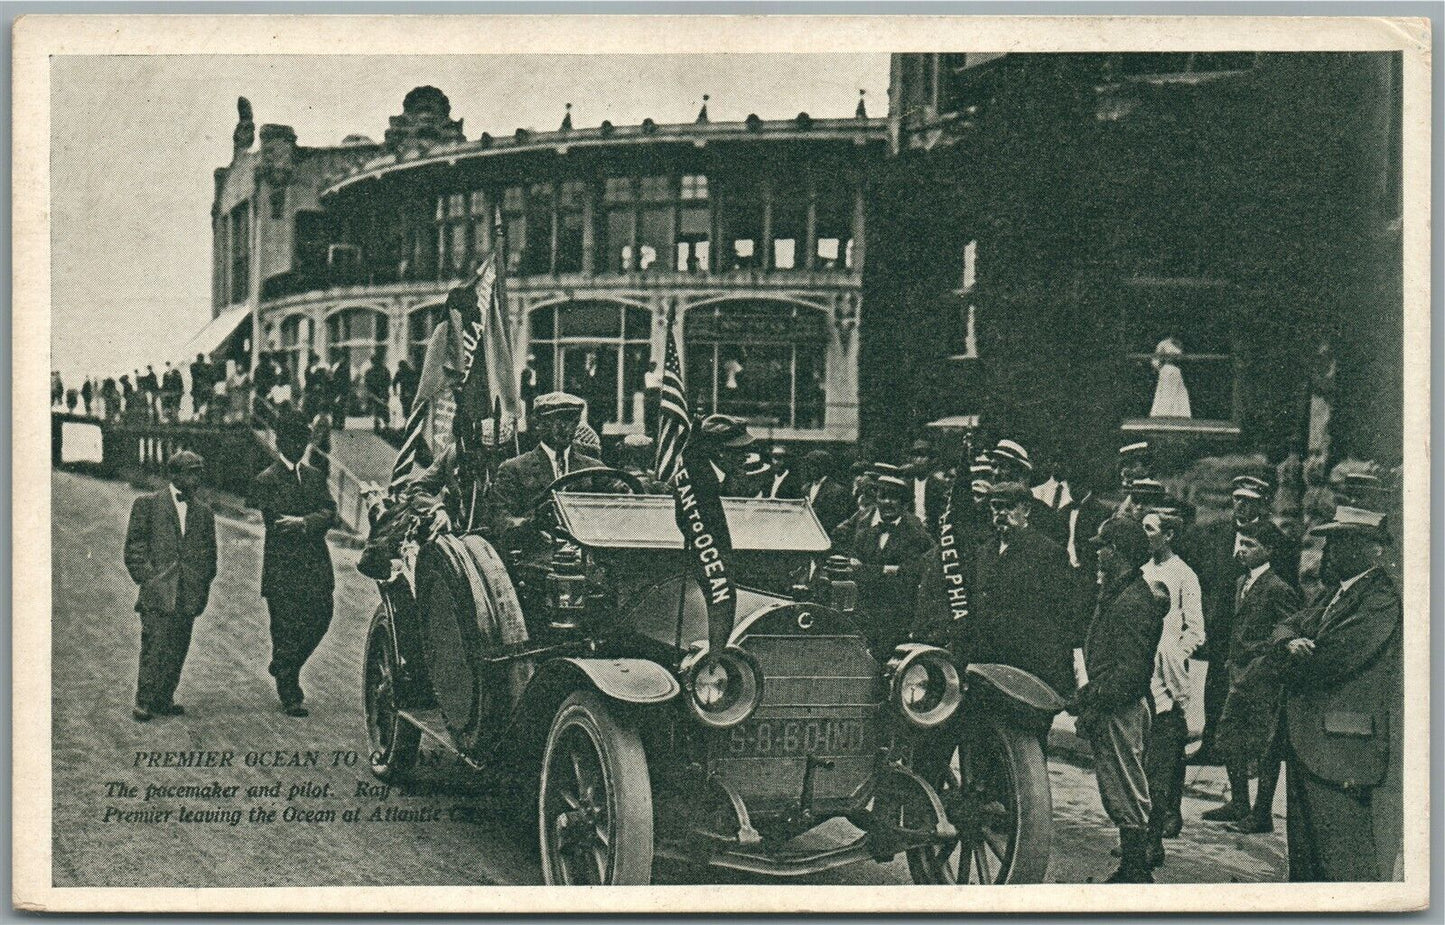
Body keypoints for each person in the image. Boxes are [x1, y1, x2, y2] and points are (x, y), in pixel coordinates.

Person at [1272, 504, 1402, 881]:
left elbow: (1328, 662)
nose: (1326, 552)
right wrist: (1289, 643)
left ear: (1366, 550)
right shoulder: (1336, 594)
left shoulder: (1379, 599)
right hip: (1315, 744)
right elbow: (1286, 625)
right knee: (1308, 864)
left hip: (1344, 751)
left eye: (1337, 544)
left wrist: (1285, 656)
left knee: (1343, 866)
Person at [1073, 516, 1168, 882]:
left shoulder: (1132, 601)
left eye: (1104, 547)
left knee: (1126, 789)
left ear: (1118, 552)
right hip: (1113, 704)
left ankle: (1136, 870)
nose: (1098, 554)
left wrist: (1090, 697)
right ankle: (1134, 866)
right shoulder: (1120, 592)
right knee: (1120, 786)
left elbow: (1131, 674)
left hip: (1120, 708)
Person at [1207, 519, 1302, 833]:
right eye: (1241, 543)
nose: (1242, 550)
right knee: (1229, 738)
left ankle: (1261, 814)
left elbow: (1288, 628)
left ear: (1269, 550)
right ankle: (1239, 803)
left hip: (1262, 679)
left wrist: (1264, 663)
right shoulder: (1242, 582)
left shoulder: (1278, 587)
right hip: (1238, 675)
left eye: (1250, 545)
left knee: (1264, 746)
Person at [1190, 472, 1288, 765]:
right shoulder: (1219, 534)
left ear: (1263, 504)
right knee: (1214, 685)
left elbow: (1282, 588)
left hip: (1253, 630)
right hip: (1221, 625)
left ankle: (1247, 757)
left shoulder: (1275, 540)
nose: (1242, 507)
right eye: (1237, 500)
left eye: (1249, 501)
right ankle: (1211, 745)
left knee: (1247, 692)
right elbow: (1208, 578)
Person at [956, 482, 1078, 715]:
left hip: (1026, 665)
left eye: (1009, 507)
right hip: (987, 661)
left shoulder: (1048, 553)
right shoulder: (984, 551)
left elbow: (1061, 616)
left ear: (1026, 510)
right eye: (996, 506)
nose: (1001, 513)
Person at [247, 410, 337, 716]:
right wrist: (311, 520)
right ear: (280, 441)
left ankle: (284, 663)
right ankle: (290, 694)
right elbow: (278, 521)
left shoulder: (314, 476)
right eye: (292, 439)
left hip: (315, 566)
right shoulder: (266, 480)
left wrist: (304, 522)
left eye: (303, 439)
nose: (298, 445)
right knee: (285, 629)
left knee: (322, 616)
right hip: (283, 569)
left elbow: (330, 512)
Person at [122, 451, 217, 721]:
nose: (197, 478)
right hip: (158, 593)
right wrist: (149, 580)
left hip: (188, 593)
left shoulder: (204, 513)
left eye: (199, 472)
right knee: (154, 647)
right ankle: (144, 701)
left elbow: (209, 555)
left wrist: (200, 584)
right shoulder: (147, 504)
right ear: (174, 475)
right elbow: (134, 547)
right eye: (191, 472)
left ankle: (164, 698)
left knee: (178, 648)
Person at [1139, 507, 1206, 863]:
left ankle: (1167, 813)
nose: (1145, 535)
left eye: (1150, 529)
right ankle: (1148, 820)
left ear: (1168, 535)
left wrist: (1176, 654)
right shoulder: (1141, 570)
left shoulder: (1184, 575)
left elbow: (1196, 629)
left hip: (1170, 671)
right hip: (1142, 665)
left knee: (1168, 745)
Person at [842, 470, 935, 654]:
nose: (887, 502)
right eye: (883, 497)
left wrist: (870, 570)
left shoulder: (915, 532)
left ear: (904, 504)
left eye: (894, 498)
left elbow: (914, 570)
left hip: (897, 611)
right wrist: (886, 570)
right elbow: (855, 566)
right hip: (866, 608)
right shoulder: (865, 530)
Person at [490, 392, 604, 531]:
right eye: (559, 421)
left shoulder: (595, 469)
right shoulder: (515, 469)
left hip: (586, 542)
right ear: (539, 424)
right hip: (537, 541)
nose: (567, 427)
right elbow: (499, 520)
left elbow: (618, 508)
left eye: (573, 421)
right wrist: (532, 524)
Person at [988, 438, 1060, 544]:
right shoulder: (984, 511)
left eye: (1003, 466)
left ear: (1021, 473)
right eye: (994, 466)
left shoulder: (1044, 515)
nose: (996, 472)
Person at [800, 449, 852, 534]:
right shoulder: (805, 489)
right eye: (808, 465)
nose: (810, 469)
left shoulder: (837, 490)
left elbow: (837, 518)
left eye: (814, 465)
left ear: (824, 467)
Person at [906, 439, 951, 535]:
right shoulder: (907, 485)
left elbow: (943, 513)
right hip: (910, 530)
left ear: (930, 460)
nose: (918, 460)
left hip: (931, 532)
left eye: (923, 456)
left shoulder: (938, 485)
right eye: (915, 456)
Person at [1149, 336, 1191, 418]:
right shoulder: (1163, 344)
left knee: (1178, 391)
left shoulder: (1179, 343)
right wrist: (1160, 368)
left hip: (1176, 371)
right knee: (1166, 391)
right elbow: (1155, 360)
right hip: (1167, 370)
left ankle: (1177, 414)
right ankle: (1163, 413)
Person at [364, 351, 391, 432]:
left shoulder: (369, 371)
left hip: (375, 393)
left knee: (377, 409)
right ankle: (385, 425)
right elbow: (388, 381)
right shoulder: (385, 370)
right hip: (381, 393)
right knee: (383, 408)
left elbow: (367, 383)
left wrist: (370, 392)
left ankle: (379, 424)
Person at [190, 353, 213, 419]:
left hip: (200, 387)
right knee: (198, 402)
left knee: (198, 402)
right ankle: (200, 416)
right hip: (200, 387)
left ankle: (200, 416)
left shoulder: (195, 366)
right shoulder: (205, 366)